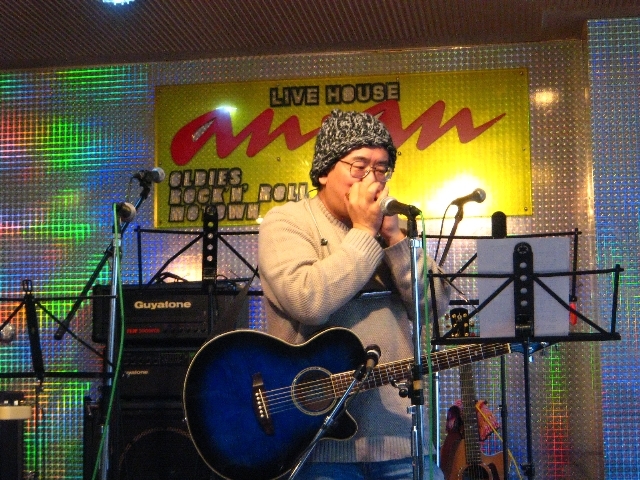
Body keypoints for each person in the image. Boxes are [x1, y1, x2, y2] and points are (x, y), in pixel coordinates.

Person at [258, 109, 451, 479]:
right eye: (359, 166)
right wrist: (363, 232)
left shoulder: (392, 228)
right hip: (319, 442)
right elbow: (307, 301)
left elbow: (435, 307)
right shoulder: (287, 222)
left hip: (400, 438)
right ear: (323, 171)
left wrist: (395, 239)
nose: (372, 179)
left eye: (381, 169)